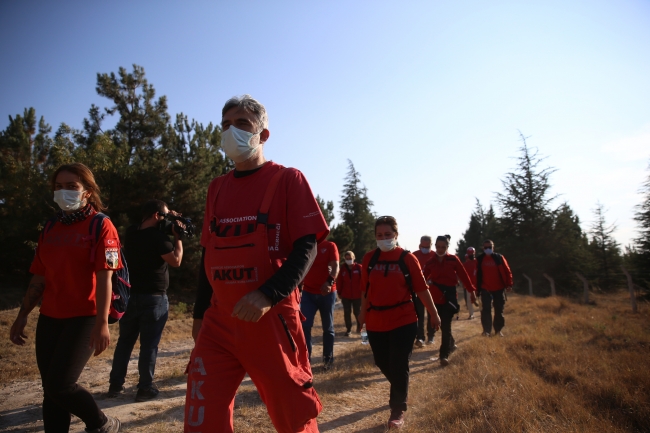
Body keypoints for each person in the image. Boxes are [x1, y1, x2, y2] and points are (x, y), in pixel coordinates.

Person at [186, 95, 327, 433]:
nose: (231, 131)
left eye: (242, 124)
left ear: (263, 134)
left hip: (271, 318)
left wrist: (267, 294)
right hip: (219, 322)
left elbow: (307, 247)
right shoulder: (216, 188)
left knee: (294, 415)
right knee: (201, 416)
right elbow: (209, 252)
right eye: (225, 125)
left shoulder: (288, 180)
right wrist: (198, 313)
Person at [9, 163, 121, 433]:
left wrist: (101, 323)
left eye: (72, 186)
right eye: (59, 187)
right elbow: (39, 277)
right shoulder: (50, 227)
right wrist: (22, 315)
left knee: (61, 385)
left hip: (84, 318)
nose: (64, 191)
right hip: (50, 316)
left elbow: (106, 278)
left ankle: (101, 423)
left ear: (88, 191)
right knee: (51, 389)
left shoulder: (102, 226)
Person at [359, 216, 441, 429]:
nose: (383, 239)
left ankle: (397, 409)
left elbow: (422, 289)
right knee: (381, 361)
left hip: (403, 319)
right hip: (376, 320)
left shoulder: (407, 259)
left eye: (387, 235)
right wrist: (361, 315)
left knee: (399, 361)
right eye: (379, 235)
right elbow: (365, 291)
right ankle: (400, 386)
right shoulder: (369, 258)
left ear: (396, 235)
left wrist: (433, 313)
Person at [107, 199, 184, 401]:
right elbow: (176, 261)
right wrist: (178, 237)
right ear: (156, 216)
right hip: (154, 297)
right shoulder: (159, 238)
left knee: (125, 342)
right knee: (149, 345)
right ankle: (144, 388)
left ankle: (115, 385)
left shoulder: (132, 232)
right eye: (164, 216)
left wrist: (170, 217)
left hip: (130, 296)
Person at [423, 236, 476, 366]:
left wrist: (472, 291)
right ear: (435, 246)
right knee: (438, 326)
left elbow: (464, 275)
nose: (440, 249)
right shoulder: (430, 262)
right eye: (438, 247)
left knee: (446, 326)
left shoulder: (453, 259)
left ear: (447, 247)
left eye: (443, 247)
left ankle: (443, 355)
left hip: (450, 298)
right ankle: (450, 344)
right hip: (435, 298)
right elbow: (421, 278)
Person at [300, 238, 339, 369]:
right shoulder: (304, 245)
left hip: (327, 293)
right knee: (305, 326)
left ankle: (328, 360)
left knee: (327, 327)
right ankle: (306, 361)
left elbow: (335, 266)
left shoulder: (330, 246)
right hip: (308, 292)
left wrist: (330, 282)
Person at [477, 239, 513, 337]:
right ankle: (486, 331)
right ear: (483, 248)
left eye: (490, 247)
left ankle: (498, 331)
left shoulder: (499, 258)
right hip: (485, 289)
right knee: (486, 310)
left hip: (499, 289)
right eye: (486, 247)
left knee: (499, 310)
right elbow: (475, 275)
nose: (488, 249)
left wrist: (509, 284)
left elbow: (507, 271)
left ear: (493, 248)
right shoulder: (479, 259)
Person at [412, 235, 436, 347]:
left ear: (431, 245)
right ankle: (420, 337)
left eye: (428, 246)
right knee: (419, 314)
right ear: (420, 244)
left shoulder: (435, 256)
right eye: (423, 246)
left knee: (432, 313)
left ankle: (431, 336)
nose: (425, 248)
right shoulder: (414, 255)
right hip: (419, 290)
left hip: (433, 290)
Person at [336, 251, 363, 337]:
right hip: (346, 295)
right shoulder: (342, 269)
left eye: (350, 258)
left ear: (354, 258)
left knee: (357, 312)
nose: (348, 260)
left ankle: (359, 327)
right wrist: (339, 292)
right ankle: (348, 329)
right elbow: (339, 281)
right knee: (347, 312)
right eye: (347, 259)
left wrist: (364, 292)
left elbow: (363, 281)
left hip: (357, 295)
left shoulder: (359, 268)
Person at [462, 247, 478, 319]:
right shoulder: (465, 264)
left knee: (480, 299)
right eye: (470, 254)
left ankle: (483, 311)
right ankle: (471, 314)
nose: (471, 255)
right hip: (469, 285)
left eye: (472, 253)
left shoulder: (477, 262)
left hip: (478, 284)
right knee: (469, 300)